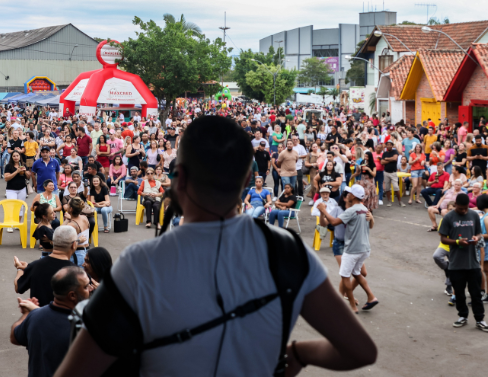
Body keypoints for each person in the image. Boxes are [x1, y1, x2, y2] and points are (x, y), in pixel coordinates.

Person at [55, 115, 377, 376]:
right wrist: (298, 352)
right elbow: (361, 350)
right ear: (247, 179)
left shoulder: (140, 264)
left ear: (180, 179)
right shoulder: (288, 252)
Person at [11, 265, 90, 377]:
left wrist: (26, 314)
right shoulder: (81, 326)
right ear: (72, 295)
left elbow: (14, 337)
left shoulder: (35, 316)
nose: (90, 289)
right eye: (86, 287)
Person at [317, 183, 379, 314]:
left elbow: (334, 222)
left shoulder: (353, 210)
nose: (347, 195)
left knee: (346, 275)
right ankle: (369, 297)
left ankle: (351, 306)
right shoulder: (363, 208)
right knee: (354, 273)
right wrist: (324, 214)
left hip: (352, 248)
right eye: (346, 194)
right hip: (355, 247)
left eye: (349, 193)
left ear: (353, 196)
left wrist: (323, 210)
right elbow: (325, 223)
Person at [438, 193, 488, 333]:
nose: (463, 211)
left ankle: (480, 319)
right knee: (459, 294)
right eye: (461, 208)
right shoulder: (449, 217)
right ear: (455, 205)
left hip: (472, 263)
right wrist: (457, 241)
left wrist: (476, 238)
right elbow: (443, 239)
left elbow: (479, 234)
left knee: (476, 294)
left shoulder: (473, 215)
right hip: (456, 264)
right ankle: (462, 316)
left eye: (466, 208)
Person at [13, 225, 78, 305]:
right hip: (65, 316)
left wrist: (20, 269)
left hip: (39, 315)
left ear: (53, 242)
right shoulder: (78, 273)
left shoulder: (35, 266)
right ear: (74, 244)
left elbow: (18, 287)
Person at [63, 197, 91, 267]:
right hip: (87, 251)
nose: (67, 206)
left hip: (77, 253)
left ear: (71, 209)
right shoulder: (84, 217)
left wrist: (67, 220)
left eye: (68, 205)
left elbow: (60, 235)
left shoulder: (72, 225)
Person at [380, 140, 401, 206]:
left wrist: (386, 159)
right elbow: (382, 162)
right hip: (386, 172)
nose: (389, 146)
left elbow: (395, 159)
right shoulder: (384, 153)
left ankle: (400, 201)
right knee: (387, 188)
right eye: (387, 144)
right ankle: (389, 201)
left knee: (396, 187)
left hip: (393, 172)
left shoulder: (395, 151)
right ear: (386, 146)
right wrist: (390, 159)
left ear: (392, 145)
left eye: (390, 144)